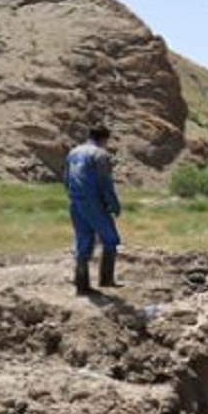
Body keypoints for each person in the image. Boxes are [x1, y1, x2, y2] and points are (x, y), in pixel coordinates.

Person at [63, 124, 120, 296]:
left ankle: (82, 285)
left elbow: (66, 178)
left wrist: (73, 197)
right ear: (104, 139)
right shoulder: (100, 154)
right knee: (111, 239)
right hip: (93, 201)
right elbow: (105, 183)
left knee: (83, 241)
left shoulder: (73, 152)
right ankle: (106, 279)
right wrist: (114, 204)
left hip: (75, 201)